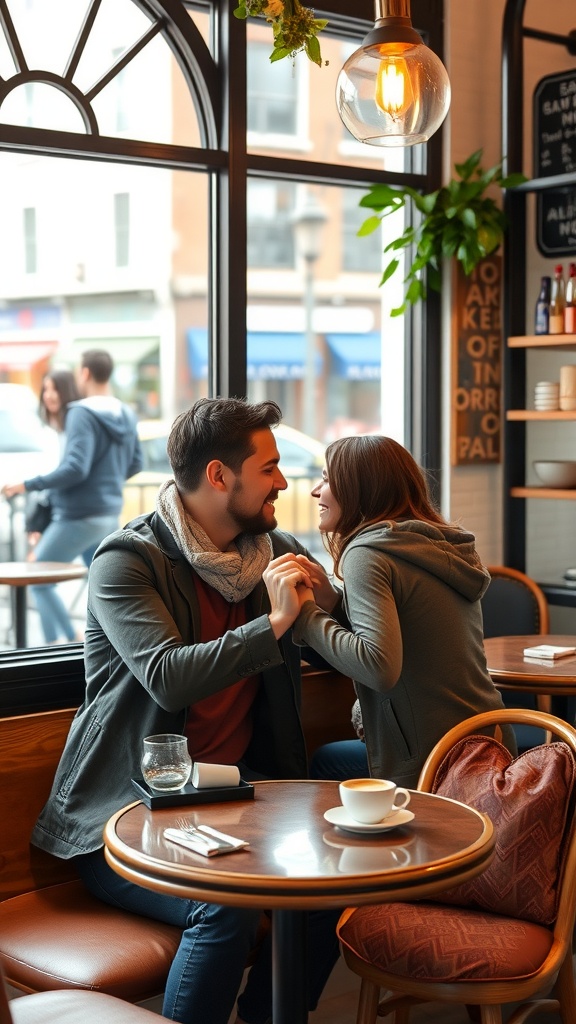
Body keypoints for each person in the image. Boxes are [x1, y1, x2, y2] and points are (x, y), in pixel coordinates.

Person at [30, 397, 341, 1024]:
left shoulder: (271, 550)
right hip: (126, 819)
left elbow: (344, 660)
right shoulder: (126, 561)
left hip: (233, 805)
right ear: (220, 477)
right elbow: (169, 678)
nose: (285, 482)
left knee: (328, 887)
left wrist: (333, 599)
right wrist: (278, 620)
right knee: (223, 906)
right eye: (271, 468)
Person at [267, 434, 516, 787]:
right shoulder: (434, 542)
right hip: (488, 738)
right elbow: (410, 627)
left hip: (437, 760)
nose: (315, 490)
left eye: (326, 479)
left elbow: (379, 667)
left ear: (359, 489)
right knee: (329, 761)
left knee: (320, 767)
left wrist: (306, 614)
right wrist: (333, 602)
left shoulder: (367, 553)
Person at [1, 349, 143, 644]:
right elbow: (136, 463)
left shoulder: (80, 412)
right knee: (103, 585)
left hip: (79, 515)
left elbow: (75, 468)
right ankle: (108, 645)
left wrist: (27, 484)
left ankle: (64, 642)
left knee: (38, 581)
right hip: (108, 514)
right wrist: (107, 484)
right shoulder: (125, 412)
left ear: (85, 373)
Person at [24, 370, 82, 545]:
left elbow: (72, 469)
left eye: (55, 389)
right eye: (45, 389)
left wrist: (27, 485)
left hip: (74, 513)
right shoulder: (51, 428)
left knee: (40, 565)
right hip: (60, 509)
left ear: (67, 391)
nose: (49, 395)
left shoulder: (77, 424)